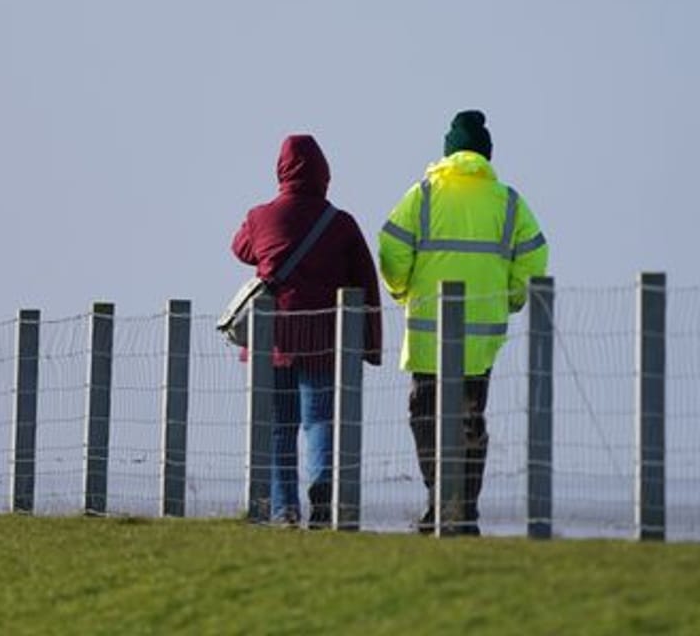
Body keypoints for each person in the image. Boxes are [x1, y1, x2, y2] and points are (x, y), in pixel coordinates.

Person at [378, 110, 548, 536]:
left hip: (428, 332)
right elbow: (534, 257)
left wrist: (401, 291)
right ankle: (465, 510)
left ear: (448, 152)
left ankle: (440, 503)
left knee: (426, 419)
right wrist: (509, 298)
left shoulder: (423, 195)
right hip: (481, 337)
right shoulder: (508, 201)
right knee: (471, 420)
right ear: (486, 155)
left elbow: (390, 249)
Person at [232, 134, 384, 528]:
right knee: (319, 422)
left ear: (280, 171)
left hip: (273, 340)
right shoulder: (340, 223)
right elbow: (366, 280)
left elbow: (241, 249)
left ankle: (284, 511)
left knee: (280, 427)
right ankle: (322, 491)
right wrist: (371, 344)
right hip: (322, 339)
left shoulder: (260, 216)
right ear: (324, 173)